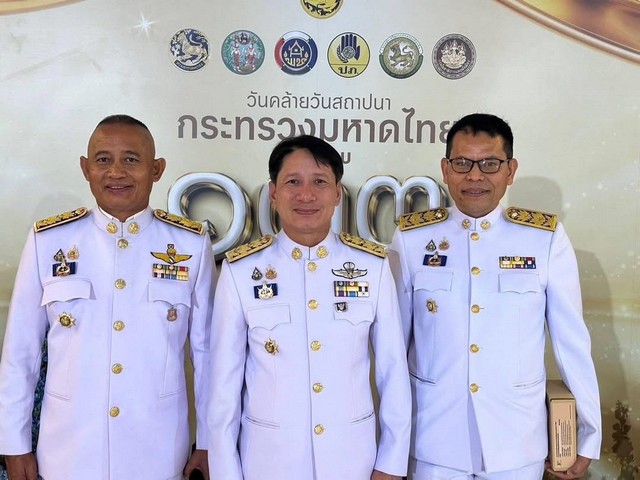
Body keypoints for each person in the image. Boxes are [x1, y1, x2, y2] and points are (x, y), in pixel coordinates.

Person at [0, 114, 215, 480]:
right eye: (103, 159)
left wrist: (209, 441)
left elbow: (207, 354)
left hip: (157, 450)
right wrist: (13, 443)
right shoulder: (49, 241)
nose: (116, 172)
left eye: (131, 159)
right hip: (68, 452)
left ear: (157, 169)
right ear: (86, 168)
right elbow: (21, 352)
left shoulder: (189, 244)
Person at [388, 113, 601, 480]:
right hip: (433, 439)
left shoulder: (544, 238)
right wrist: (391, 444)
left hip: (516, 441)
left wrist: (589, 432)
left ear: (510, 170)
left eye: (489, 164)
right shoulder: (411, 239)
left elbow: (572, 343)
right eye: (462, 163)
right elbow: (393, 347)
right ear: (445, 169)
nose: (475, 176)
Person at [207, 135, 411, 480]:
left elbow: (393, 371)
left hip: (352, 460)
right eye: (293, 182)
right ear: (273, 193)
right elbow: (223, 386)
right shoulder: (241, 270)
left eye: (319, 182)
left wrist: (391, 463)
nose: (306, 195)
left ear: (337, 193)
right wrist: (226, 472)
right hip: (268, 462)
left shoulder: (372, 266)